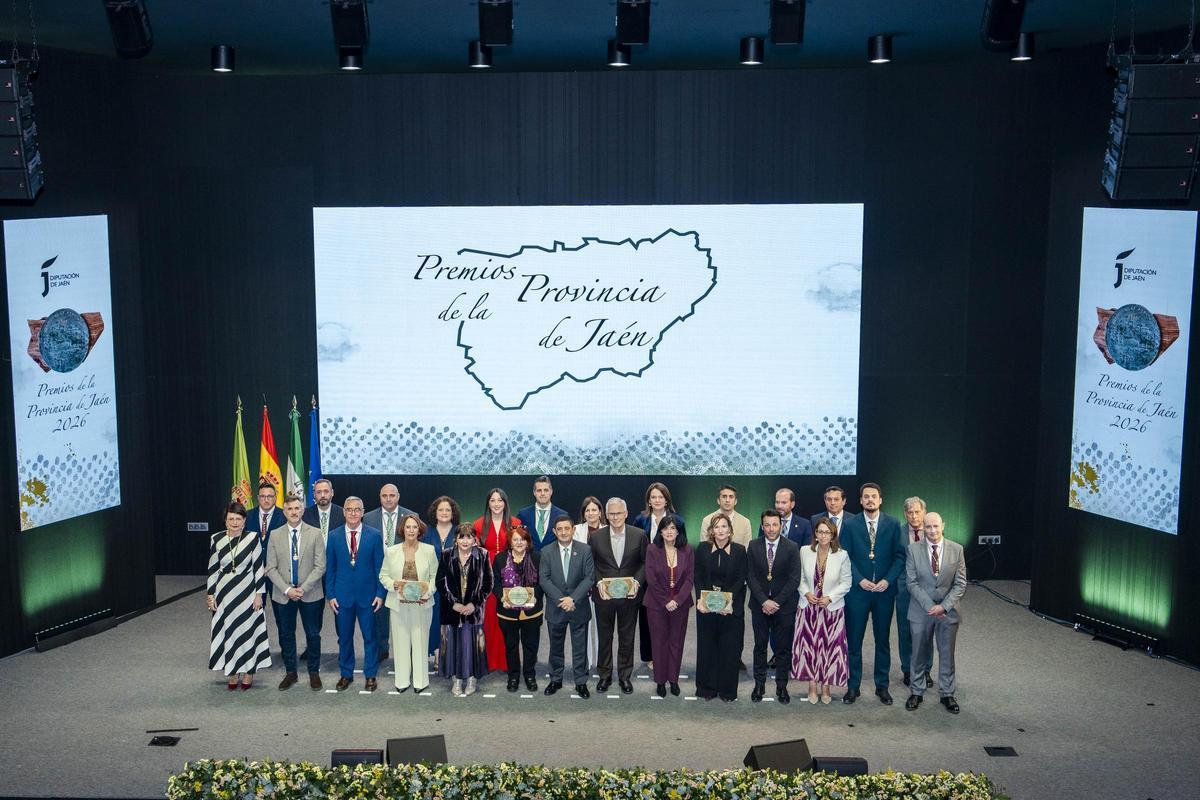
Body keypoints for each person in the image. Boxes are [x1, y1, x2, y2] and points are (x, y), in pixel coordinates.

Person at [839, 482, 905, 705]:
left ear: (881, 500)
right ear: (860, 501)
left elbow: (899, 556)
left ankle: (882, 686)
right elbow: (844, 556)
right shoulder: (850, 525)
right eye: (866, 497)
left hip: (884, 592)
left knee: (882, 640)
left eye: (873, 496)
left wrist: (888, 580)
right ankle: (853, 686)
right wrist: (860, 580)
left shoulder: (894, 524)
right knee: (854, 641)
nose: (870, 500)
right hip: (858, 592)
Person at [904, 512, 967, 714]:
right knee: (918, 653)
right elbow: (911, 582)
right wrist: (930, 605)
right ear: (923, 527)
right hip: (921, 610)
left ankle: (947, 693)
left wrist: (944, 606)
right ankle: (916, 691)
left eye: (936, 526)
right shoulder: (913, 550)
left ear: (943, 526)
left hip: (948, 612)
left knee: (947, 654)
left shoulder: (957, 550)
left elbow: (960, 584)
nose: (932, 530)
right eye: (928, 527)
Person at [207, 502, 271, 690]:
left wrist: (259, 594)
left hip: (247, 592)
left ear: (244, 521)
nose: (234, 522)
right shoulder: (216, 539)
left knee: (247, 631)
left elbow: (259, 568)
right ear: (225, 521)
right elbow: (212, 569)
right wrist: (211, 595)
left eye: (238, 519)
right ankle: (232, 672)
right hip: (225, 593)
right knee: (229, 632)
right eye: (231, 519)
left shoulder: (252, 538)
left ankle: (249, 672)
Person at [265, 494, 326, 690]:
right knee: (286, 633)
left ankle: (313, 672)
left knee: (313, 634)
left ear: (302, 510)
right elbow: (270, 568)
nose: (293, 512)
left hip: (310, 593)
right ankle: (291, 672)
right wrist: (288, 589)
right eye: (289, 509)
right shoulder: (274, 534)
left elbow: (320, 566)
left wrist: (302, 588)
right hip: (283, 594)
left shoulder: (315, 533)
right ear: (284, 512)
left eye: (297, 508)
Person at [326, 496, 386, 692]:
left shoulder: (374, 535)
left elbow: (380, 568)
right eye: (349, 509)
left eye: (357, 509)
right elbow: (331, 568)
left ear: (362, 512)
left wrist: (380, 593)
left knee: (370, 637)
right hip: (342, 598)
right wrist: (331, 595)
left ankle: (370, 675)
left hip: (368, 597)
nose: (353, 513)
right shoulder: (333, 536)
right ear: (343, 512)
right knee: (344, 637)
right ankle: (346, 674)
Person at [590, 497, 647, 694]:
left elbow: (644, 563)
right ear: (606, 515)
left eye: (618, 513)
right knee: (605, 637)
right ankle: (604, 676)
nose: (615, 517)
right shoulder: (596, 536)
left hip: (629, 598)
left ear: (626, 513)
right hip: (603, 598)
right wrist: (599, 583)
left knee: (627, 638)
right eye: (611, 514)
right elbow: (592, 565)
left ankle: (624, 677)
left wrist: (637, 582)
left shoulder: (639, 535)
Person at [792, 516, 851, 704]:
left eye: (827, 532)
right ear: (815, 534)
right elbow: (798, 578)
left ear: (833, 535)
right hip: (808, 608)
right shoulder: (804, 551)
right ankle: (811, 687)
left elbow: (846, 582)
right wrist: (807, 593)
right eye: (820, 532)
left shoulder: (842, 555)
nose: (823, 535)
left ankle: (826, 687)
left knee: (829, 648)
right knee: (809, 648)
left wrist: (830, 597)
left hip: (831, 610)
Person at [378, 513, 439, 694]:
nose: (411, 530)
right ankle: (402, 680)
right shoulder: (391, 551)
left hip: (422, 603)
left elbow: (435, 575)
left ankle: (420, 682)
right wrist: (393, 585)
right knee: (400, 641)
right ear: (402, 530)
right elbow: (383, 575)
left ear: (419, 530)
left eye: (414, 527)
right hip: (399, 603)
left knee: (420, 641)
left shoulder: (429, 550)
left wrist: (428, 592)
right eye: (407, 527)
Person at [747, 509, 802, 704]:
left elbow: (794, 579)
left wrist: (776, 602)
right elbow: (751, 576)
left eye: (775, 524)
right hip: (760, 606)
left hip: (784, 607)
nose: (771, 529)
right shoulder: (753, 546)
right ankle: (759, 685)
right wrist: (764, 601)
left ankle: (782, 686)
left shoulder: (792, 547)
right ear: (762, 526)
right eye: (767, 525)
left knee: (783, 649)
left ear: (781, 525)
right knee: (760, 647)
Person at [630, 482, 687, 666]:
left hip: (671, 577)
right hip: (647, 577)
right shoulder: (640, 520)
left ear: (666, 499)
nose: (656, 500)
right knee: (647, 618)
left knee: (670, 618)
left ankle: (668, 654)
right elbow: (635, 548)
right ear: (648, 500)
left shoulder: (678, 521)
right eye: (653, 497)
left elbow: (683, 547)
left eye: (660, 497)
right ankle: (650, 656)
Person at [693, 513, 747, 702]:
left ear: (730, 530)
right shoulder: (702, 548)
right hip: (706, 608)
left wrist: (728, 600)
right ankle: (706, 688)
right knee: (707, 648)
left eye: (724, 527)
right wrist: (702, 599)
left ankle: (727, 691)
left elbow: (741, 579)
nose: (720, 530)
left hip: (730, 610)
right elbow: (698, 576)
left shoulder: (740, 551)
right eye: (716, 527)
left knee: (729, 650)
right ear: (711, 531)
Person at [540, 514, 595, 698]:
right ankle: (556, 679)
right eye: (560, 529)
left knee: (580, 648)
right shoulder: (547, 551)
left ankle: (581, 682)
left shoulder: (585, 550)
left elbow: (589, 578)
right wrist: (561, 600)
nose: (564, 532)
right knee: (555, 647)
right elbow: (544, 579)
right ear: (555, 532)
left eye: (567, 528)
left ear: (573, 530)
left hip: (578, 606)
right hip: (556, 608)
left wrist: (573, 599)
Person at [365, 483, 419, 663]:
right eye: (384, 496)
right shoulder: (368, 517)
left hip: (403, 574)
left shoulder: (411, 516)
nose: (388, 499)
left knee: (403, 615)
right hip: (377, 573)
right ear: (380, 497)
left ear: (398, 496)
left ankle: (405, 652)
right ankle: (382, 649)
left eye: (392, 495)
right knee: (378, 614)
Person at [437, 524, 494, 696]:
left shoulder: (483, 555)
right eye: (461, 537)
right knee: (453, 645)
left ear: (475, 540)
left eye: (469, 537)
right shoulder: (446, 554)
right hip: (451, 610)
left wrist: (473, 604)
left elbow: (488, 584)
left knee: (471, 646)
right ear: (455, 539)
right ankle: (456, 679)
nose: (465, 540)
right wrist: (453, 603)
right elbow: (441, 582)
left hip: (473, 612)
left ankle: (471, 678)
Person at [643, 517, 693, 697]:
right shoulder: (652, 549)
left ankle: (673, 679)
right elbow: (651, 578)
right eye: (665, 528)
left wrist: (677, 600)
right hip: (656, 604)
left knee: (676, 642)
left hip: (680, 604)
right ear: (660, 531)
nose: (669, 532)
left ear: (679, 531)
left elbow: (689, 579)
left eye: (673, 528)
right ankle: (660, 681)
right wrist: (666, 600)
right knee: (658, 643)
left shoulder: (687, 550)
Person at [473, 488, 520, 674]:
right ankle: (491, 661)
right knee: (490, 619)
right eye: (493, 500)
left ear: (505, 502)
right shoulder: (478, 525)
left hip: (511, 576)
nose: (497, 504)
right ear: (488, 503)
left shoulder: (516, 523)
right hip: (487, 577)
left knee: (509, 620)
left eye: (500, 500)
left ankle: (508, 661)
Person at [492, 525, 544, 692]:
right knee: (511, 645)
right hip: (507, 612)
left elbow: (543, 582)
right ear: (510, 541)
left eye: (522, 539)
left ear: (527, 541)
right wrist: (502, 597)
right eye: (515, 539)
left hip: (531, 612)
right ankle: (513, 676)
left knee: (531, 645)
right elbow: (495, 583)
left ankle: (529, 675)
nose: (519, 542)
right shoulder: (500, 559)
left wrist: (534, 595)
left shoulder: (537, 558)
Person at [422, 495, 461, 662]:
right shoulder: (426, 533)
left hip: (456, 585)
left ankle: (452, 654)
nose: (444, 513)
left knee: (453, 619)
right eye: (441, 510)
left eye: (448, 510)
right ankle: (438, 654)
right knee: (435, 620)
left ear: (453, 513)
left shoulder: (460, 532)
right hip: (433, 586)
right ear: (434, 512)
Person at [897, 496, 930, 687]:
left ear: (924, 513)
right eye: (910, 512)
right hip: (904, 590)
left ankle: (925, 670)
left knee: (926, 631)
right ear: (905, 514)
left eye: (917, 511)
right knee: (905, 631)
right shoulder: (898, 533)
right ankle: (908, 669)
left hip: (927, 591)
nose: (914, 516)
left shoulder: (932, 531)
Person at [573, 496, 605, 670]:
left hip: (602, 584)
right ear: (583, 514)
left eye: (594, 509)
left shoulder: (608, 529)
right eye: (587, 510)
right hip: (581, 585)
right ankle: (585, 662)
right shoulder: (576, 530)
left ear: (600, 512)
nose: (591, 513)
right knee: (583, 625)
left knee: (601, 626)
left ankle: (601, 662)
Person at [515, 475, 569, 550]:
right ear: (534, 493)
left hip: (553, 560)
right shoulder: (523, 514)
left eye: (546, 490)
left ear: (551, 492)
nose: (542, 493)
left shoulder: (562, 515)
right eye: (539, 490)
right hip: (529, 560)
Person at [303, 478, 344, 545]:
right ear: (314, 494)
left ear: (332, 493)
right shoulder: (305, 515)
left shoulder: (343, 514)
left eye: (326, 491)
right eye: (319, 492)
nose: (322, 495)